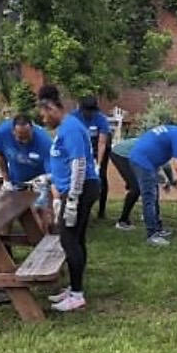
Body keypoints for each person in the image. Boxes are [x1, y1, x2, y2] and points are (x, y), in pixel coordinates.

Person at [38, 84, 100, 312]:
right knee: (76, 239)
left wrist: (73, 197)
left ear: (53, 108)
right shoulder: (66, 127)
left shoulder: (71, 127)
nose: (43, 119)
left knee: (68, 240)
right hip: (77, 190)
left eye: (44, 114)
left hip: (81, 190)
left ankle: (77, 295)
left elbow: (79, 163)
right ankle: (75, 288)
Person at [120, 121, 177, 246]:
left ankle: (158, 228)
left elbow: (169, 163)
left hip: (146, 160)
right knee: (149, 198)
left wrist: (171, 180)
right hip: (143, 161)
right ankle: (152, 234)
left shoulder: (175, 131)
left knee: (154, 196)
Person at [0, 113, 53, 226]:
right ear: (13, 132)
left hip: (39, 180)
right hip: (16, 178)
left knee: (41, 209)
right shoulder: (2, 133)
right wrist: (6, 180)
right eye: (20, 137)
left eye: (27, 136)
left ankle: (44, 237)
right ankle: (6, 240)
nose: (24, 141)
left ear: (32, 129)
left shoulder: (45, 141)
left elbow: (51, 171)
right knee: (4, 210)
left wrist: (44, 180)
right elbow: (0, 155)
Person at [72, 95, 113, 220]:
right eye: (87, 111)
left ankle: (101, 211)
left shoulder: (101, 119)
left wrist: (98, 165)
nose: (90, 114)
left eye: (92, 111)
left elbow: (102, 143)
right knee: (78, 175)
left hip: (98, 147)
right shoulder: (74, 117)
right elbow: (71, 139)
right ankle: (78, 208)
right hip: (80, 147)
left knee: (101, 177)